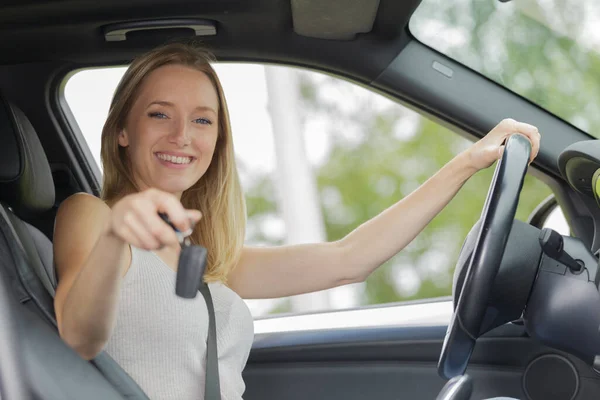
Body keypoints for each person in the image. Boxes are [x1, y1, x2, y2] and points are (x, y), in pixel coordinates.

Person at [52, 42, 541, 400]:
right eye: (160, 114)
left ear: (217, 140)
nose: (183, 135)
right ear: (121, 129)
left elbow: (347, 260)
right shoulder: (91, 215)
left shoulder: (209, 258)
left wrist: (467, 163)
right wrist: (118, 232)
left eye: (203, 120)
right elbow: (78, 334)